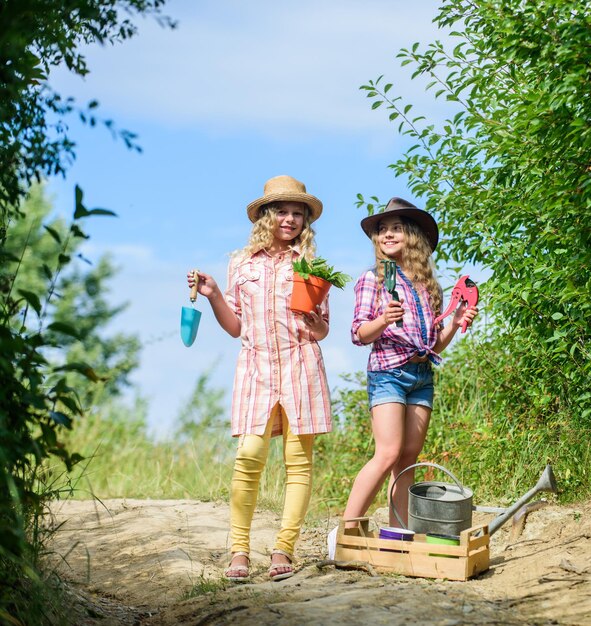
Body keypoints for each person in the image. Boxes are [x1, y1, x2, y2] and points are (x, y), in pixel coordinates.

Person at [187, 175, 332, 582]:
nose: (290, 219)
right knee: (249, 457)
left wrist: (313, 317)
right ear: (267, 215)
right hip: (256, 366)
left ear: (305, 220)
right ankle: (238, 551)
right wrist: (214, 292)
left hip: (301, 364)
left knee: (298, 463)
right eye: (282, 211)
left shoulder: (312, 265)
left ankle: (283, 547)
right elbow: (235, 327)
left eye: (297, 213)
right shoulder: (241, 263)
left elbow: (322, 330)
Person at [342, 197, 478, 529]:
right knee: (388, 452)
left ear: (413, 236)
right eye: (382, 230)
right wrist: (384, 320)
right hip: (388, 373)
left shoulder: (428, 288)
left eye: (396, 229)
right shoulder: (373, 279)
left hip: (421, 374)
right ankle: (347, 529)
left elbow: (434, 344)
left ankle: (397, 532)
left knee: (407, 459)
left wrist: (456, 320)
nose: (387, 235)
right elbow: (359, 334)